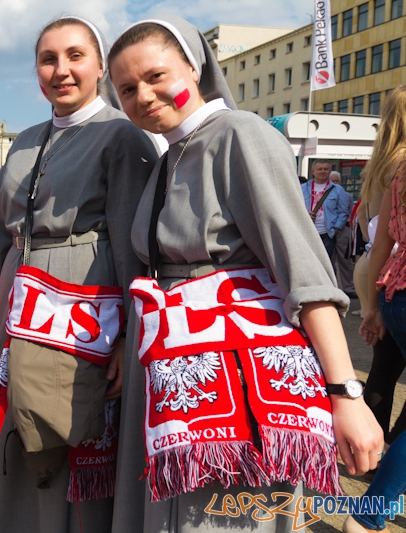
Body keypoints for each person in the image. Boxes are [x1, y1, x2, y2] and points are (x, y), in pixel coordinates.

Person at [107, 15, 382, 532]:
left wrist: (347, 395)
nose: (143, 96)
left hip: (231, 379)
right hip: (179, 371)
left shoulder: (240, 133)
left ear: (193, 66)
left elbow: (304, 271)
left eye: (155, 76)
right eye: (126, 89)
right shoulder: (171, 156)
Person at [0, 16, 157, 532]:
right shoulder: (26, 139)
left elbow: (130, 244)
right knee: (18, 419)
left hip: (84, 309)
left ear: (100, 66)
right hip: (15, 298)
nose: (61, 69)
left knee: (71, 424)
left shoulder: (123, 137)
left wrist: (125, 339)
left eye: (75, 56)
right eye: (48, 59)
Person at [350, 85, 406, 533]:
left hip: (386, 280)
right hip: (391, 280)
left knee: (385, 372)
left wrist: (371, 306)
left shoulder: (391, 164)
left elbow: (382, 234)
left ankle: (367, 457)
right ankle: (370, 512)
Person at [302, 160, 350, 259]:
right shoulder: (303, 188)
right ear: (313, 171)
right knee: (307, 261)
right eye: (319, 169)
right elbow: (295, 207)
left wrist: (336, 229)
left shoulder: (337, 189)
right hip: (307, 231)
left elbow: (343, 212)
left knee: (325, 264)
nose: (322, 171)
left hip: (327, 233)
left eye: (325, 169)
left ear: (330, 171)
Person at [331, 171, 357, 297]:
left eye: (337, 181)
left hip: (344, 231)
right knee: (329, 260)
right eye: (333, 181)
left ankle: (349, 288)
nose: (336, 183)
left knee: (345, 260)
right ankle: (332, 288)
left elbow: (351, 213)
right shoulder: (323, 195)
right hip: (328, 231)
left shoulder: (347, 196)